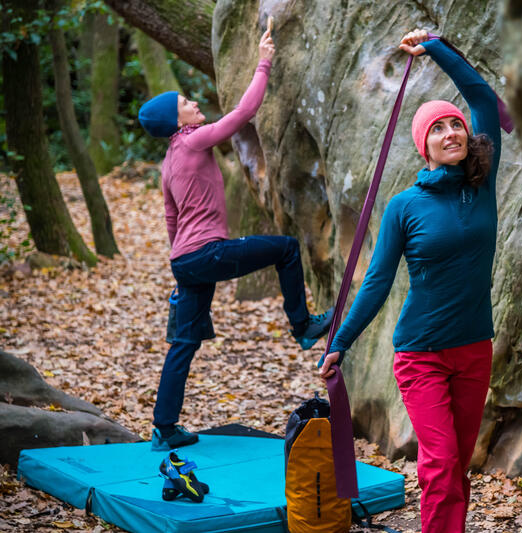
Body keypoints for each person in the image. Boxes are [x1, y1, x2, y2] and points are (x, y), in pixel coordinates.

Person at [319, 29, 503, 533]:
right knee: (441, 466)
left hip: (474, 350)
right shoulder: (405, 207)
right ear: (424, 146)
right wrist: (341, 342)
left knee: (456, 468)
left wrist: (436, 47)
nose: (452, 132)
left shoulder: (481, 185)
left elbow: (483, 98)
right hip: (420, 354)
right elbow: (377, 282)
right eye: (438, 128)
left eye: (455, 124)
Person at [138, 25, 332, 451]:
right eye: (185, 103)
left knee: (183, 344)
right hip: (206, 253)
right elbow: (243, 113)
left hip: (185, 260)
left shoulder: (169, 162)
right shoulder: (191, 142)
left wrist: (181, 270)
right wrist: (263, 60)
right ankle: (302, 325)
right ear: (176, 121)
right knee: (286, 249)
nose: (192, 103)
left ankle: (164, 428)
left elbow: (172, 219)